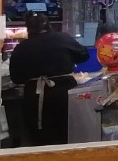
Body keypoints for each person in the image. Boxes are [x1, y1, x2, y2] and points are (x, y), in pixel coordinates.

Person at [9, 13, 90, 146]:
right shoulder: (62, 38)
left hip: (34, 98)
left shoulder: (21, 47)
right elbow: (84, 55)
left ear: (28, 29)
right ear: (49, 25)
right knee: (68, 134)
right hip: (65, 94)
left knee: (40, 139)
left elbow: (16, 78)